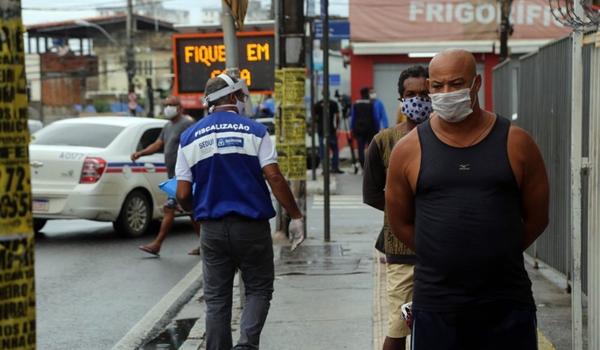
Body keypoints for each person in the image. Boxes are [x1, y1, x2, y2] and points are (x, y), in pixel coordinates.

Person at [386, 49, 549, 349]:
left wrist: (496, 253)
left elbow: (538, 218)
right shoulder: (408, 150)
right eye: (437, 86)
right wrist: (443, 255)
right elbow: (400, 222)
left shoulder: (517, 142)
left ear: (475, 84)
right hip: (437, 304)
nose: (446, 93)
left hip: (506, 301)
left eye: (456, 84)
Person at [175, 73, 305, 349]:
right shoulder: (255, 131)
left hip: (212, 229)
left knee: (217, 300)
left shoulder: (188, 138)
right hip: (252, 228)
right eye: (242, 96)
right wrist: (295, 215)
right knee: (259, 289)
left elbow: (183, 194)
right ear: (233, 97)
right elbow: (275, 177)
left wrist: (196, 211)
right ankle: (246, 345)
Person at [363, 65, 431, 350]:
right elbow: (372, 194)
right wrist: (403, 214)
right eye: (411, 94)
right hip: (402, 250)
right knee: (398, 325)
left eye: (425, 93)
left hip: (446, 248)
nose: (418, 100)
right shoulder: (384, 142)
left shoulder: (450, 137)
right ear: (401, 99)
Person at [133, 96, 200, 256]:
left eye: (171, 105)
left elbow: (195, 145)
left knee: (169, 208)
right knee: (192, 213)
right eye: (166, 105)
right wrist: (141, 153)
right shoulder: (168, 126)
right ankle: (205, 244)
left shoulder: (187, 124)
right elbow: (158, 144)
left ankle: (157, 244)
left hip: (185, 176)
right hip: (174, 176)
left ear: (179, 107)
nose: (168, 107)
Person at [313, 93, 344, 173]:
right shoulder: (334, 104)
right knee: (335, 149)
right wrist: (336, 127)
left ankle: (325, 169)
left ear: (322, 94)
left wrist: (318, 125)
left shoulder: (318, 104)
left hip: (321, 131)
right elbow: (337, 116)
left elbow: (314, 118)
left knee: (323, 151)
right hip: (331, 130)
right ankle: (335, 167)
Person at [351, 87, 380, 169]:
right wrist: (377, 128)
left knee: (360, 148)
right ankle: (370, 164)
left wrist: (352, 129)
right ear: (367, 94)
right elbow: (375, 117)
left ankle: (362, 164)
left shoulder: (356, 104)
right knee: (371, 147)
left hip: (359, 129)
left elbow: (353, 118)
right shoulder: (371, 104)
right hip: (370, 129)